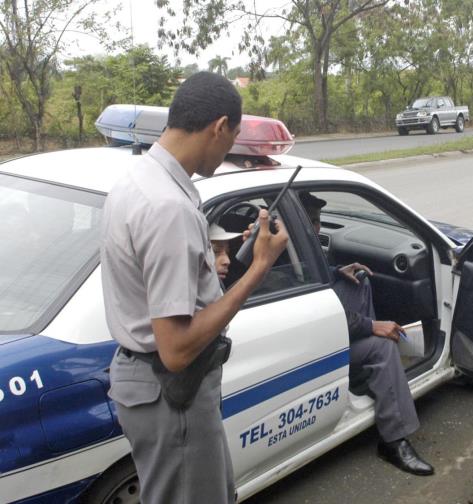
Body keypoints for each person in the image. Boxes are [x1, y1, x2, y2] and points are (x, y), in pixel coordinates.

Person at [101, 71, 288, 504]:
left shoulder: (139, 180)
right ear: (219, 126)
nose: (228, 152)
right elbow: (177, 349)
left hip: (152, 387)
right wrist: (259, 267)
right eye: (232, 137)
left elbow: (160, 275)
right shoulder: (169, 208)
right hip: (171, 395)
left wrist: (226, 258)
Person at [300, 192, 434, 476]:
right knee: (382, 348)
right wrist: (372, 326)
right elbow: (319, 315)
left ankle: (369, 366)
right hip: (310, 342)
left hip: (321, 332)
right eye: (309, 222)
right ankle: (393, 441)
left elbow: (313, 280)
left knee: (359, 280)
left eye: (318, 221)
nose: (317, 229)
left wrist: (337, 272)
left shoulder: (294, 248)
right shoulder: (278, 260)